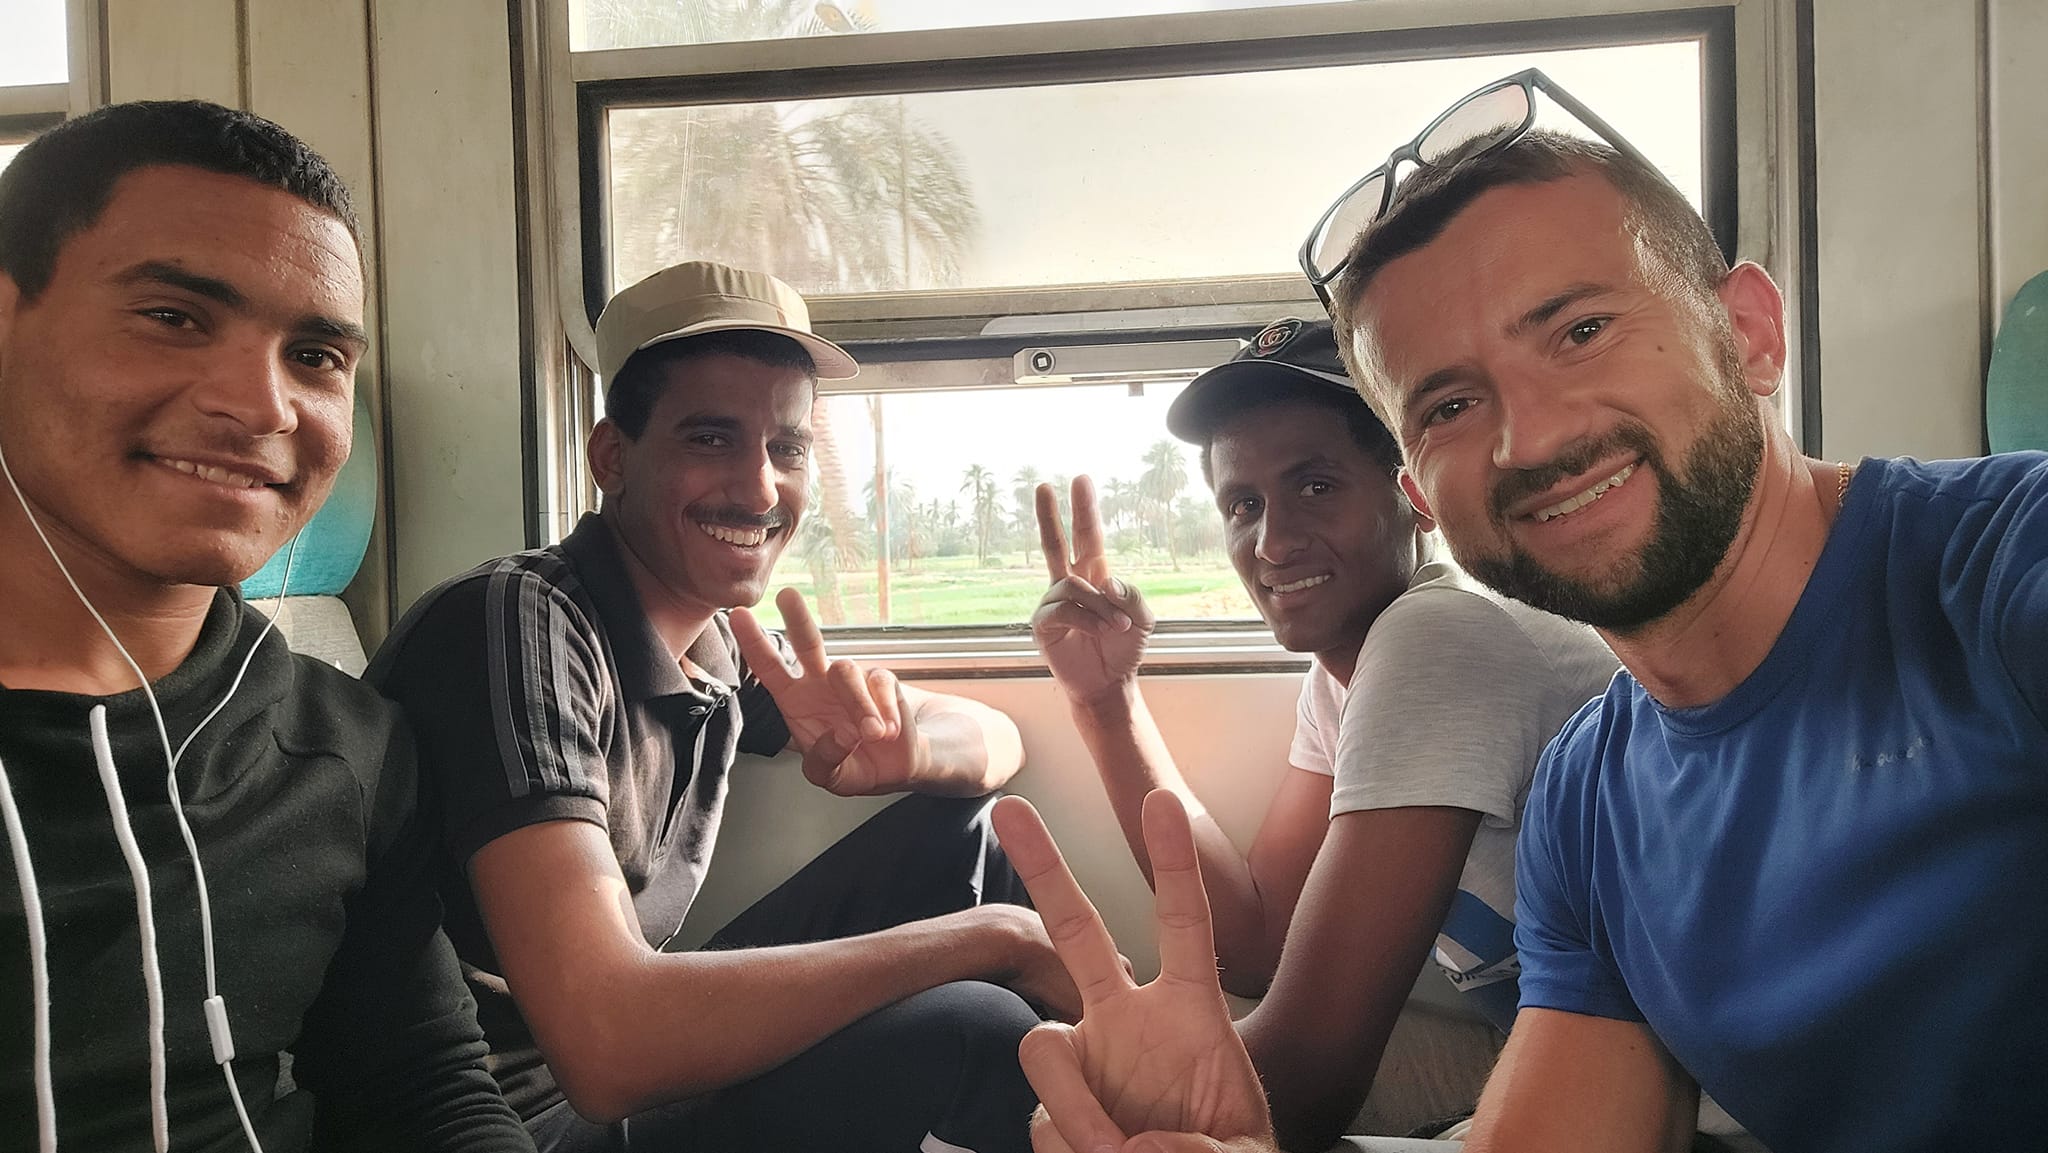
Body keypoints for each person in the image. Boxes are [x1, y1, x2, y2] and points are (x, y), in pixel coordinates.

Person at [1012, 86, 2048, 1153]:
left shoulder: (2000, 572)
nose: (1531, 437)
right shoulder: (1588, 801)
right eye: (1450, 405)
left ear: (1747, 332)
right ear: (1423, 490)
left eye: (1579, 331)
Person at [368, 260, 1069, 1153]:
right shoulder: (516, 626)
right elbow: (608, 1044)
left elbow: (994, 737)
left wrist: (912, 751)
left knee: (977, 833)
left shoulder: (719, 643)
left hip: (606, 1066)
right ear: (612, 457)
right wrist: (994, 939)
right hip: (515, 1114)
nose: (761, 489)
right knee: (976, 1024)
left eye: (787, 447)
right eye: (710, 439)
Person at [0, 101, 531, 1152]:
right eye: (172, 316)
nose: (262, 405)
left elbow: (421, 1085)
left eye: (316, 355)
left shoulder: (345, 747)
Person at [1029, 317, 1614, 1147]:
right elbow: (1258, 944)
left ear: (1413, 493)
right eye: (1243, 505)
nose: (1271, 542)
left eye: (1315, 486)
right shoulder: (1343, 678)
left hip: (1685, 1104)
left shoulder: (1440, 638)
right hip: (1551, 1053)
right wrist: (1105, 703)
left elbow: (1303, 1083)